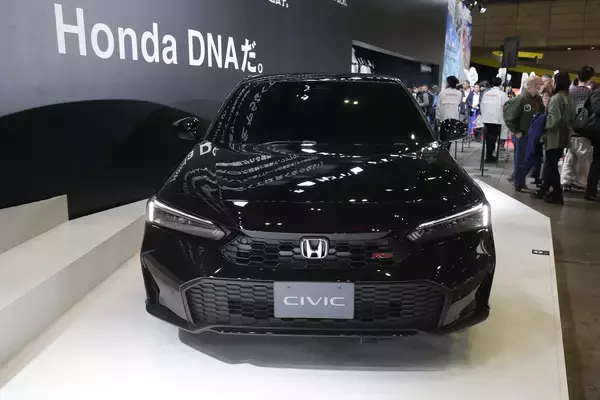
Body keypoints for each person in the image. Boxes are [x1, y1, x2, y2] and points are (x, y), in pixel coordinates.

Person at [532, 72, 575, 204]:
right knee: (552, 163)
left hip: (554, 136)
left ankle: (557, 192)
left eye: (554, 81)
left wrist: (542, 125)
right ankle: (550, 190)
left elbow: (553, 119)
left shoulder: (556, 98)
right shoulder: (568, 97)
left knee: (551, 165)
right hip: (563, 135)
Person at [504, 75, 545, 191]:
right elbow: (510, 116)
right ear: (533, 86)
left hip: (532, 134)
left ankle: (518, 180)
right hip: (522, 134)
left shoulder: (537, 99)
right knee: (521, 159)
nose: (541, 88)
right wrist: (516, 131)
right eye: (539, 85)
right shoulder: (521, 99)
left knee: (529, 159)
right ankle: (519, 183)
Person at [561, 66, 595, 191]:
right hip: (584, 130)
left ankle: (565, 180)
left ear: (577, 76)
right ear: (590, 78)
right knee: (584, 158)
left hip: (570, 128)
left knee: (569, 156)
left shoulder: (569, 91)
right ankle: (579, 182)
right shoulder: (590, 93)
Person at [480, 77, 508, 162]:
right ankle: (489, 156)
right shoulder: (502, 94)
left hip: (486, 119)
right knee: (493, 138)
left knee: (488, 138)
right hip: (497, 119)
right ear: (500, 84)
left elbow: (482, 105)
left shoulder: (486, 93)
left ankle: (489, 155)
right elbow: (506, 107)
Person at [585, 85, 600, 202]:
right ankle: (591, 191)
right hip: (597, 132)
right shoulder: (597, 93)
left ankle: (592, 190)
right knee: (597, 163)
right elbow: (597, 109)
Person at [437, 76, 463, 141]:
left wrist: (437, 116)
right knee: (451, 135)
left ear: (448, 83)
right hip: (454, 117)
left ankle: (444, 146)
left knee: (443, 135)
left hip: (443, 117)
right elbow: (459, 104)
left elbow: (438, 105)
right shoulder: (459, 93)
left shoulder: (442, 92)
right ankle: (448, 146)